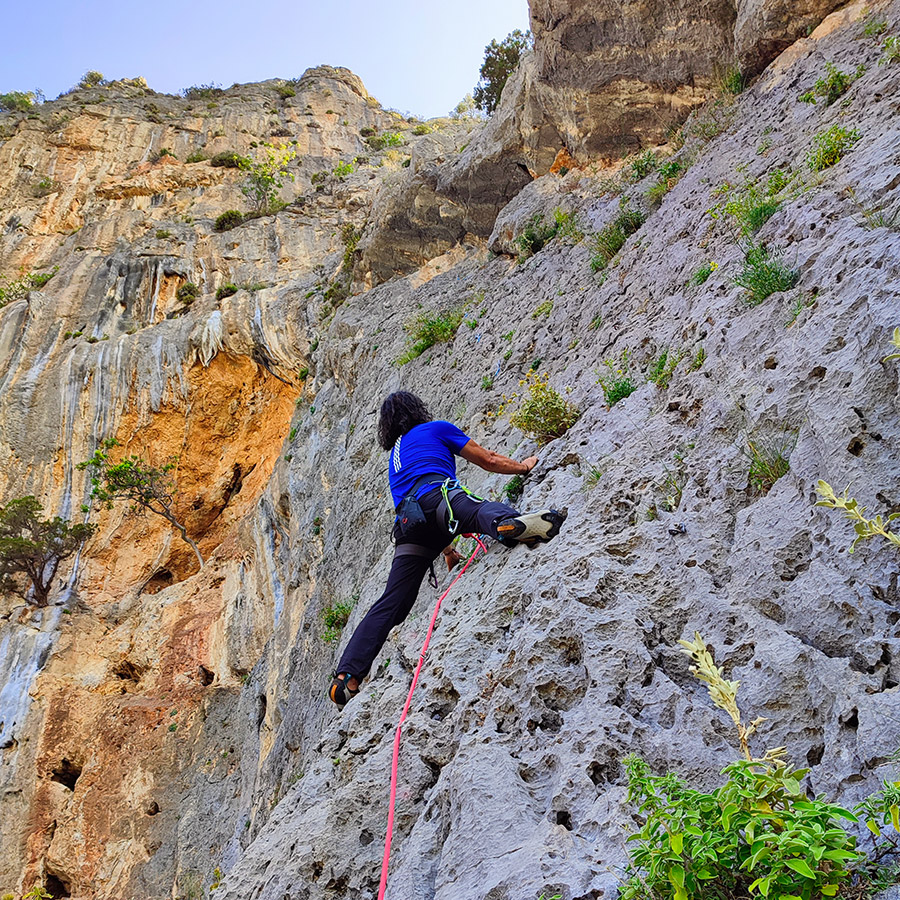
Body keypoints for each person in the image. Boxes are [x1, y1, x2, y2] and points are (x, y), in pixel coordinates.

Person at [328, 390, 566, 708]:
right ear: (417, 409)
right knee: (478, 510)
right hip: (440, 499)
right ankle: (507, 525)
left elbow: (419, 508)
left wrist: (448, 552)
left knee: (392, 603)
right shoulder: (436, 428)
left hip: (409, 525)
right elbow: (489, 460)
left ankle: (347, 676)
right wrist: (523, 467)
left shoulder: (394, 457)